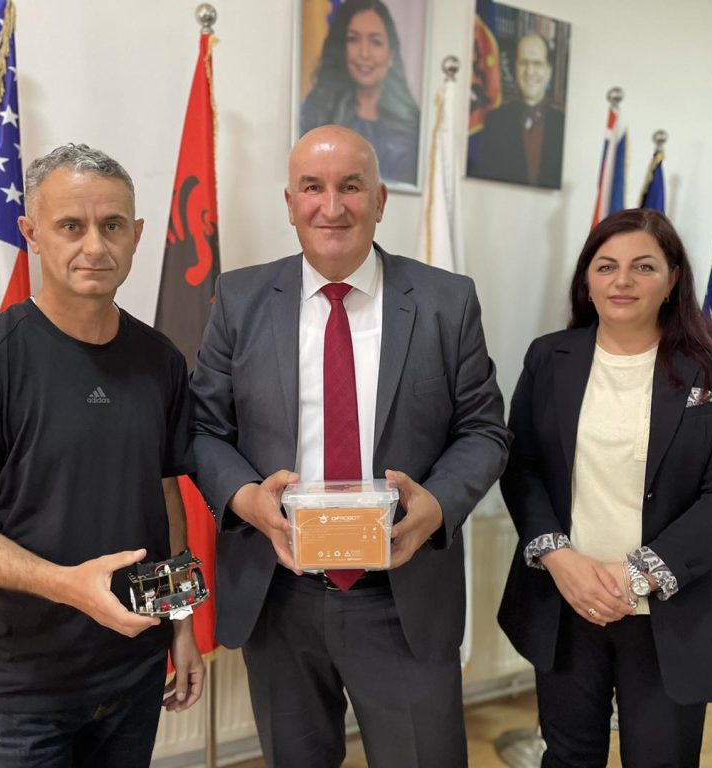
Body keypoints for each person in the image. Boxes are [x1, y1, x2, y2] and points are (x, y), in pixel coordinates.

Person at [190, 124, 510, 768]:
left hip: (402, 595)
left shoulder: (446, 302)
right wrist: (248, 500)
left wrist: (436, 505)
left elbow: (484, 430)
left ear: (381, 200)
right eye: (312, 187)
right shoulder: (240, 299)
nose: (331, 207)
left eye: (351, 187)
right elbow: (202, 429)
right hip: (279, 593)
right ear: (289, 203)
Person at [0, 144, 204, 767]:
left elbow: (165, 493)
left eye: (112, 225)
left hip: (134, 675)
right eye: (71, 225)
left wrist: (181, 622)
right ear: (32, 233)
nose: (95, 246)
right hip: (20, 693)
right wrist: (66, 585)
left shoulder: (161, 361)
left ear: (137, 235)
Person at [497, 209, 712, 767]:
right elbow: (521, 467)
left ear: (672, 279)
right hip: (568, 602)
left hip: (672, 610)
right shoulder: (549, 357)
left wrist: (636, 574)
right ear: (586, 280)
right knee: (568, 757)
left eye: (643, 266)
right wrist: (559, 558)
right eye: (606, 266)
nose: (622, 281)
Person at [300, 0, 421, 186]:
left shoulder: (413, 126)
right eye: (353, 39)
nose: (364, 53)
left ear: (391, 55)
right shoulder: (314, 113)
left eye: (375, 42)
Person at [467, 33, 565, 188]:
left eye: (537, 64)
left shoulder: (564, 126)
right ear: (515, 68)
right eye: (523, 63)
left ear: (549, 71)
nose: (530, 71)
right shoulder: (495, 122)